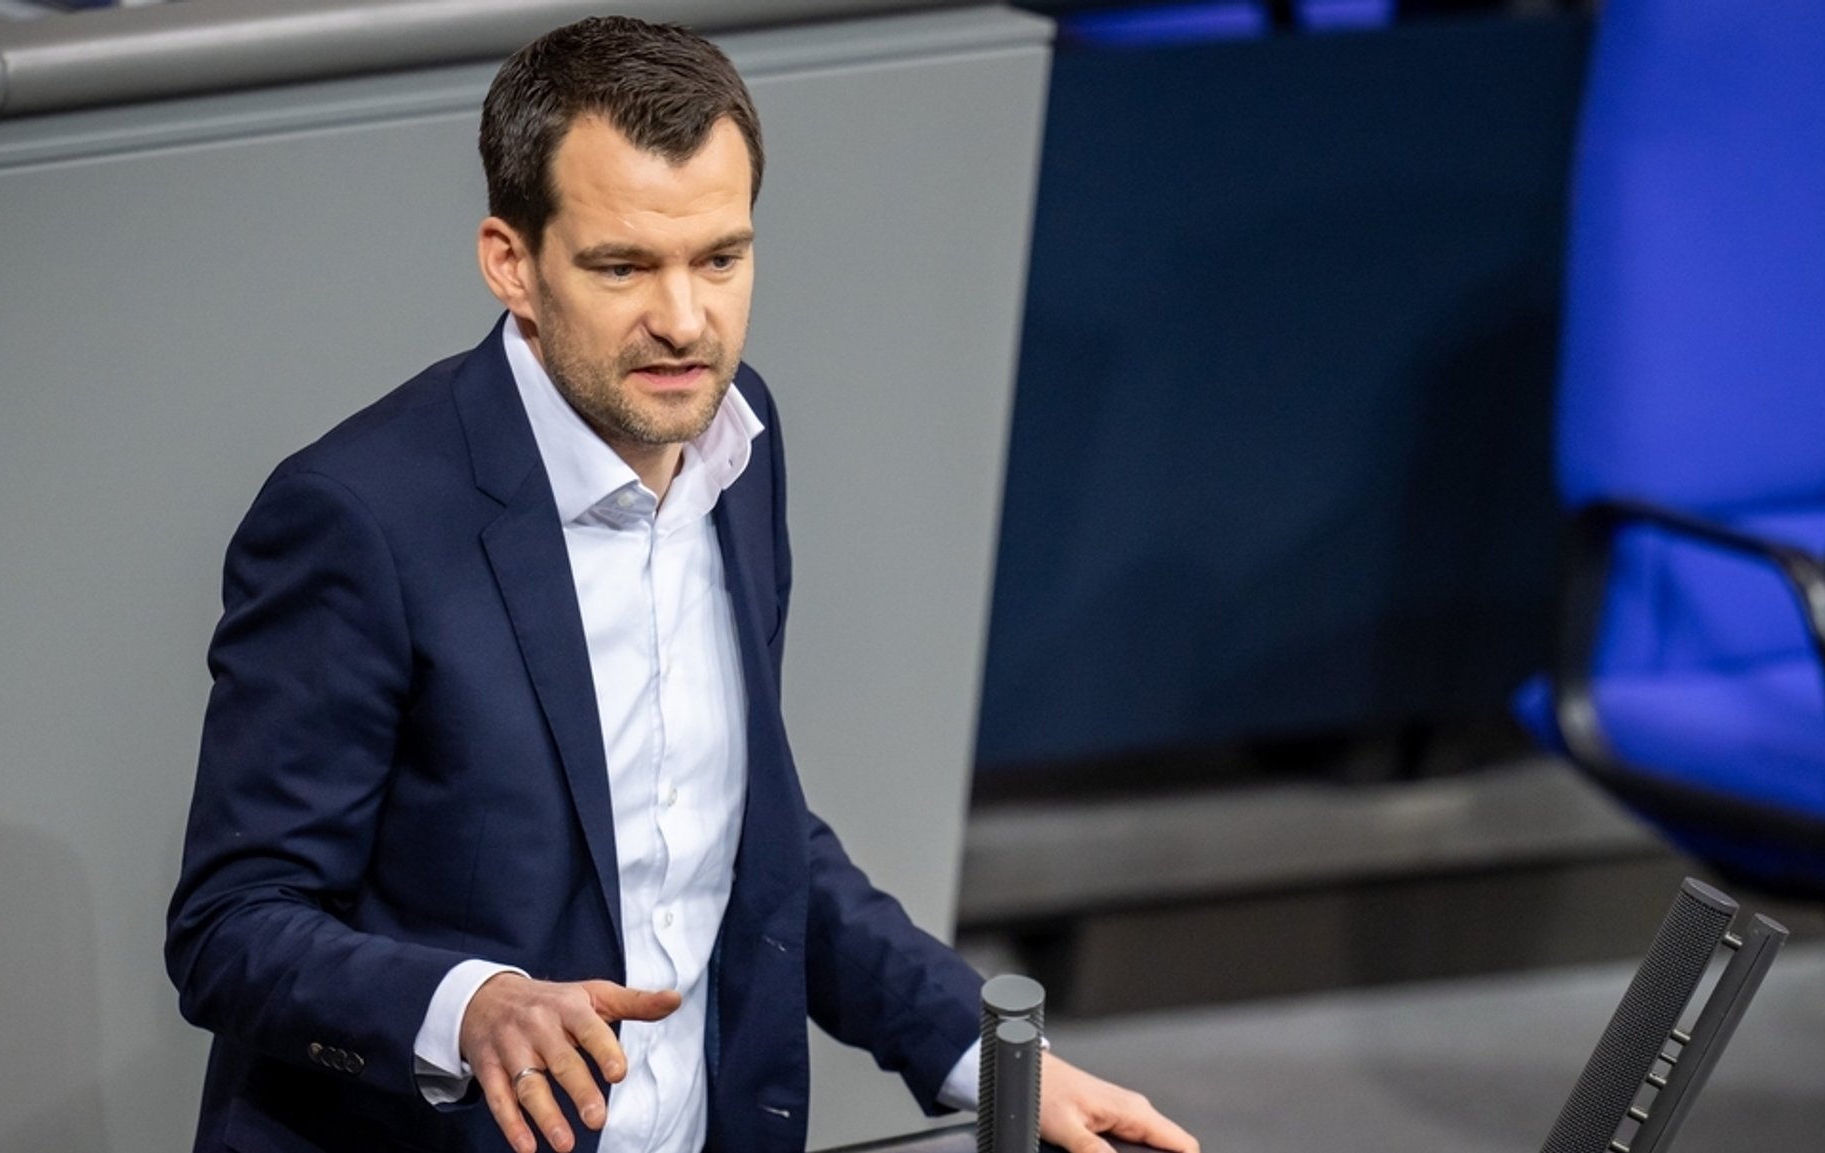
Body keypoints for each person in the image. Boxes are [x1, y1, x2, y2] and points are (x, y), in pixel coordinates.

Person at [164, 16, 1199, 1153]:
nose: (684, 319)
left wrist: (982, 1056)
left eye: (719, 257)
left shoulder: (739, 447)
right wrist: (471, 1009)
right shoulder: (357, 518)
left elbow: (748, 837)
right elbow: (232, 927)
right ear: (511, 261)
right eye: (622, 266)